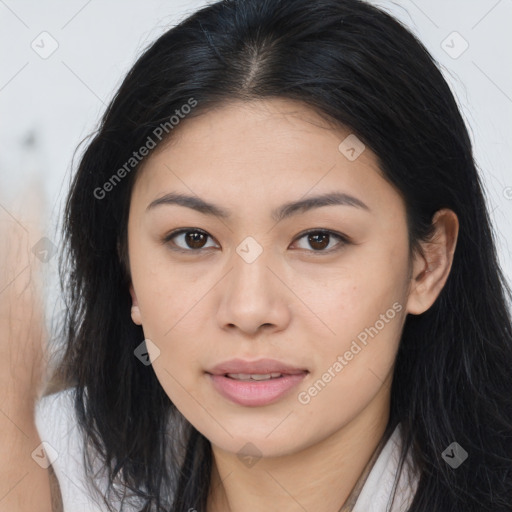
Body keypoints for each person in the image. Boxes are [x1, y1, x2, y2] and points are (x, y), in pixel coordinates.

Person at [29, 0, 512, 511]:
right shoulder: (39, 471)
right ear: (128, 269)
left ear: (426, 264)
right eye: (193, 239)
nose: (249, 309)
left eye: (318, 239)